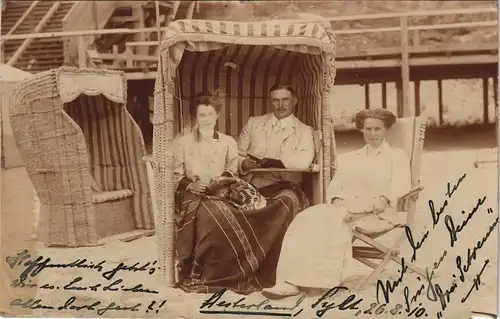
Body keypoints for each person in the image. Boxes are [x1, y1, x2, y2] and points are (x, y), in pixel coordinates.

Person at [261, 108, 411, 299]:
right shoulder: (350, 158)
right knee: (305, 217)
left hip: (377, 215)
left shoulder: (396, 157)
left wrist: (364, 208)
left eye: (377, 129)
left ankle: (319, 281)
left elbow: (399, 187)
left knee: (330, 221)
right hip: (344, 211)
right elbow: (335, 188)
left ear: (386, 130)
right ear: (361, 130)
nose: (372, 134)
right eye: (368, 129)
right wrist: (339, 203)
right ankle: (287, 282)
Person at [172, 90, 309, 294]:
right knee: (214, 217)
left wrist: (222, 180)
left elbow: (233, 167)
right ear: (195, 117)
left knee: (232, 215)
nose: (207, 120)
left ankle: (240, 269)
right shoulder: (183, 142)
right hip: (194, 194)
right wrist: (190, 185)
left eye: (210, 115)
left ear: (217, 116)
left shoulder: (228, 141)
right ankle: (209, 273)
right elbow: (174, 174)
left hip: (222, 190)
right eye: (202, 115)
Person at [238, 84, 315, 188]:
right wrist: (243, 163)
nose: (280, 105)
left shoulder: (305, 130)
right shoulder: (253, 123)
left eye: (285, 100)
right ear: (270, 102)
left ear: (294, 101)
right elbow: (237, 153)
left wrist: (275, 162)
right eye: (275, 100)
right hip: (251, 184)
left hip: (286, 185)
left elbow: (304, 161)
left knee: (284, 200)